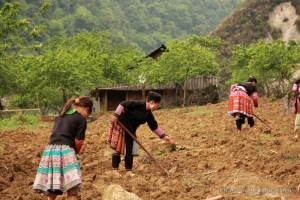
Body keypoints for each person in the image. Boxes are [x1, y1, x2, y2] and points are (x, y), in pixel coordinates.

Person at [33, 96, 93, 200]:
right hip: (66, 151)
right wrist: (76, 153)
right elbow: (79, 141)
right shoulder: (81, 119)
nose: (86, 117)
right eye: (87, 115)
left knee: (53, 188)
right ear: (86, 109)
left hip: (50, 151)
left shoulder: (60, 116)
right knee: (72, 190)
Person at [108, 91, 174, 177]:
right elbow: (122, 103)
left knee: (129, 150)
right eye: (157, 104)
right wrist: (116, 115)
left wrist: (164, 136)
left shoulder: (148, 115)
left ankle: (129, 171)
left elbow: (154, 127)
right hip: (121, 125)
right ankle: (115, 170)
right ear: (152, 103)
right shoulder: (138, 103)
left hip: (131, 130)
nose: (157, 107)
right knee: (117, 149)